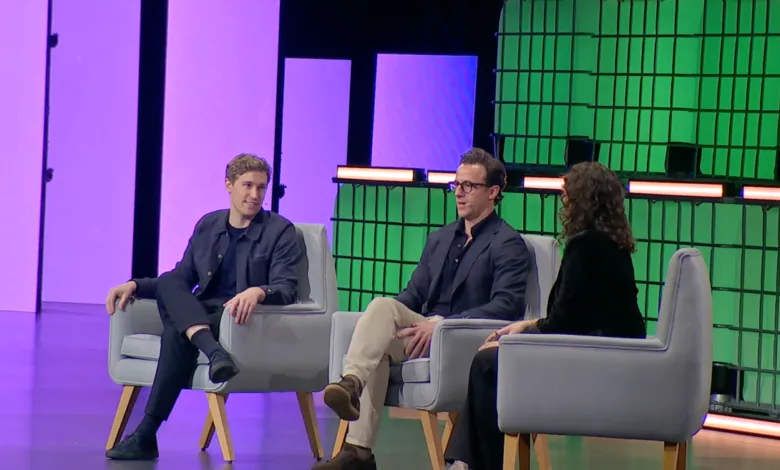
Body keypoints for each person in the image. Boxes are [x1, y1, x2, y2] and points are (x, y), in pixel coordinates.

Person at [315, 148, 532, 470]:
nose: (459, 192)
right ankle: (358, 449)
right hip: (423, 334)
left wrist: (443, 324)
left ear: (493, 192)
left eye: (469, 186)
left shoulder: (507, 243)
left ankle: (352, 388)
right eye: (456, 184)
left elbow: (506, 306)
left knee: (382, 310)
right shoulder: (441, 238)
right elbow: (414, 294)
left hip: (463, 341)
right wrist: (391, 323)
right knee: (379, 328)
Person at [444, 161, 647, 470]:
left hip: (597, 357)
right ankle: (469, 462)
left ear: (583, 200)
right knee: (493, 362)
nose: (563, 201)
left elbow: (565, 323)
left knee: (488, 362)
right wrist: (526, 326)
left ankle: (471, 464)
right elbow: (572, 316)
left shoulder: (587, 247)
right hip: (601, 349)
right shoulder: (609, 245)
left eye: (568, 194)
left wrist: (519, 339)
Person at [104, 154, 303, 460]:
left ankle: (146, 434)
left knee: (176, 330)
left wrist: (259, 291)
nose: (255, 195)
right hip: (202, 311)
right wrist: (136, 285)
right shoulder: (208, 225)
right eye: (247, 186)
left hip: (236, 317)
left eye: (261, 188)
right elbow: (182, 278)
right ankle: (214, 353)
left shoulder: (281, 232)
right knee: (171, 282)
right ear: (228, 185)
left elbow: (287, 289)